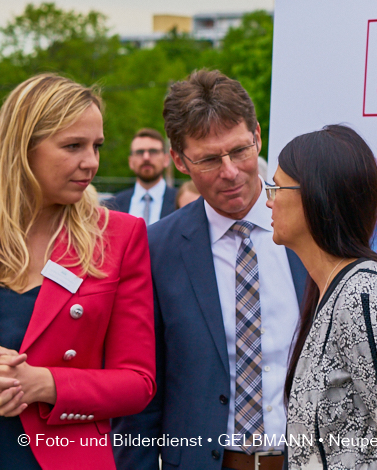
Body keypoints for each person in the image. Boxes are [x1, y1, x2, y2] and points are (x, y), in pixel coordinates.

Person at [113, 70, 307, 470]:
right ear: (179, 160)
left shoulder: (311, 230)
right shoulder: (155, 250)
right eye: (208, 159)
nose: (231, 171)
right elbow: (141, 398)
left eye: (239, 151)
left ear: (257, 135)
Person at [0, 74, 156, 470]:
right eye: (73, 146)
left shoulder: (119, 235)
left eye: (96, 146)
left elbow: (138, 382)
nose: (91, 161)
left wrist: (46, 384)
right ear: (24, 147)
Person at [268, 124, 377, 470]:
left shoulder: (365, 295)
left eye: (277, 187)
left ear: (316, 196)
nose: (269, 199)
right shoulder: (330, 292)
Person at [106, 129, 179, 225]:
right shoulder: (111, 207)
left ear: (166, 159)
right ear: (130, 161)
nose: (146, 157)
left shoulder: (181, 203)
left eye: (153, 151)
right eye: (139, 152)